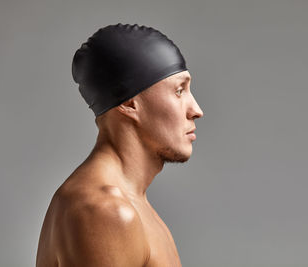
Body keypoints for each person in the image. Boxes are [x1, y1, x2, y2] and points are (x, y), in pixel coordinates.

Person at [36, 23, 204, 267]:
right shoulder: (105, 211)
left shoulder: (134, 206)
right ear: (130, 104)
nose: (196, 110)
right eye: (179, 91)